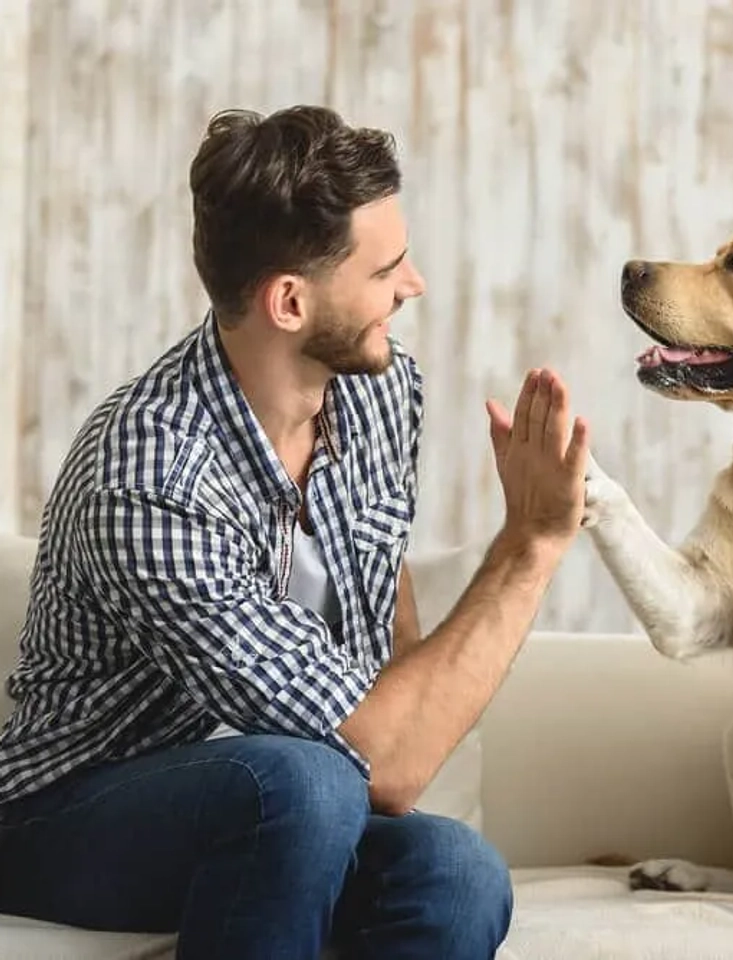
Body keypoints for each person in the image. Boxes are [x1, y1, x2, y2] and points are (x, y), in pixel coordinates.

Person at [0, 104, 590, 960]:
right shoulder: (151, 473)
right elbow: (377, 760)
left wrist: (400, 748)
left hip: (298, 804)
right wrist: (530, 544)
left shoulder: (381, 392)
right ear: (289, 301)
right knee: (302, 779)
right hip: (65, 813)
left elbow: (389, 628)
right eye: (386, 267)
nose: (413, 284)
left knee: (456, 871)